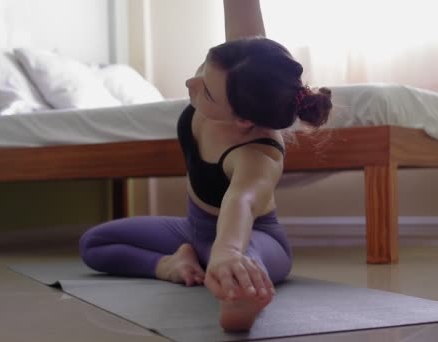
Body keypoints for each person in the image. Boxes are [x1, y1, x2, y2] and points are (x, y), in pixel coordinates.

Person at [79, 0, 332, 332]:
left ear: (243, 120)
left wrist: (227, 251)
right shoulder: (242, 65)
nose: (191, 83)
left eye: (206, 93)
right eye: (201, 69)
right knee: (94, 244)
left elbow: (239, 201)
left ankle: (241, 299)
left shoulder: (259, 155)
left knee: (242, 266)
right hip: (193, 231)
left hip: (254, 238)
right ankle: (170, 265)